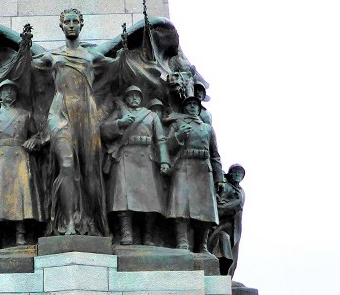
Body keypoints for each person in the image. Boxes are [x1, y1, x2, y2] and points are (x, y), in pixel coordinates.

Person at [33, 9, 114, 236]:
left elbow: (119, 68)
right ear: (61, 26)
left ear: (81, 25)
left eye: (75, 21)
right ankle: (67, 222)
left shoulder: (93, 56)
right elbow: (26, 70)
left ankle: (90, 222)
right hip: (60, 113)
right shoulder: (52, 56)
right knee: (67, 166)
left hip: (87, 114)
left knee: (90, 170)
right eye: (67, 22)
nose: (71, 25)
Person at [0, 79, 46, 248]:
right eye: (5, 90)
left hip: (19, 156)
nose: (8, 93)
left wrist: (33, 141)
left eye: (11, 90)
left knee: (20, 195)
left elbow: (36, 135)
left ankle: (20, 234)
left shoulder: (25, 114)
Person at [100, 85, 170, 245]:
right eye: (130, 96)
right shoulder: (119, 113)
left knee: (150, 201)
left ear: (141, 98)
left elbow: (160, 139)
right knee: (123, 200)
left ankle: (148, 236)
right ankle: (126, 233)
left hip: (146, 159)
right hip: (125, 157)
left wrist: (165, 160)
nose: (134, 98)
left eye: (137, 96)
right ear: (126, 98)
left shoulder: (151, 116)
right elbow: (103, 130)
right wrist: (119, 123)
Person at [166, 95, 221, 251]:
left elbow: (215, 154)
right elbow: (167, 146)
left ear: (198, 108)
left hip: (203, 169)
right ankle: (182, 241)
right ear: (185, 108)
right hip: (184, 166)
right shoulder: (178, 124)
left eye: (194, 104)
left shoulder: (208, 129)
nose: (192, 107)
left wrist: (219, 179)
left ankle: (202, 245)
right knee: (180, 205)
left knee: (206, 209)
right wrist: (178, 136)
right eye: (189, 104)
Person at [208, 164, 245, 276]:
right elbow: (218, 205)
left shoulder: (240, 191)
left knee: (233, 255)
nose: (238, 175)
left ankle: (227, 277)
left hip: (235, 228)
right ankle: (219, 274)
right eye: (235, 172)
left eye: (240, 173)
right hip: (220, 226)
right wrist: (232, 205)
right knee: (221, 244)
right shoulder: (225, 186)